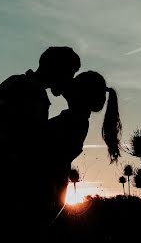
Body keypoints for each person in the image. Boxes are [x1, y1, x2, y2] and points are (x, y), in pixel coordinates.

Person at [0, 47, 81, 208]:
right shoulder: (27, 90)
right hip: (5, 188)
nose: (71, 80)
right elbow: (27, 140)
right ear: (57, 69)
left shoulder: (23, 87)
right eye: (70, 73)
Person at [43, 71, 122, 207]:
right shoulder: (77, 121)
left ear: (79, 94)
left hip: (46, 195)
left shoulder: (72, 122)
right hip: (51, 195)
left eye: (74, 86)